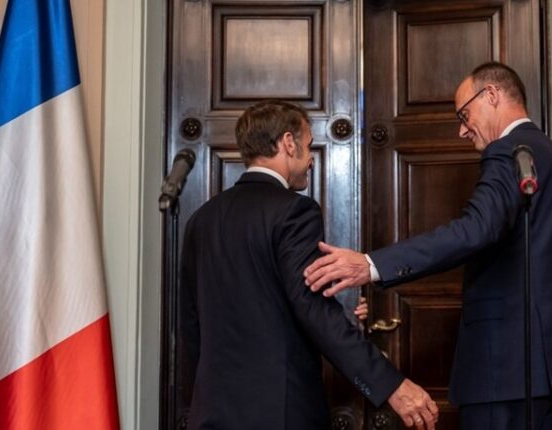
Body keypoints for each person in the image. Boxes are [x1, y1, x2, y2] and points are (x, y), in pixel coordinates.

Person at [304, 62, 552, 429]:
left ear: (491, 95)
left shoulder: (509, 151)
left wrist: (371, 265)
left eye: (464, 114)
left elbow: (475, 229)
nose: (462, 130)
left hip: (506, 369)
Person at [179, 99, 439, 430]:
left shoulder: (201, 219)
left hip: (211, 412)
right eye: (309, 145)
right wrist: (391, 386)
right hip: (280, 411)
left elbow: (191, 325)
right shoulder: (294, 211)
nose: (311, 159)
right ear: (289, 143)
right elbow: (313, 310)